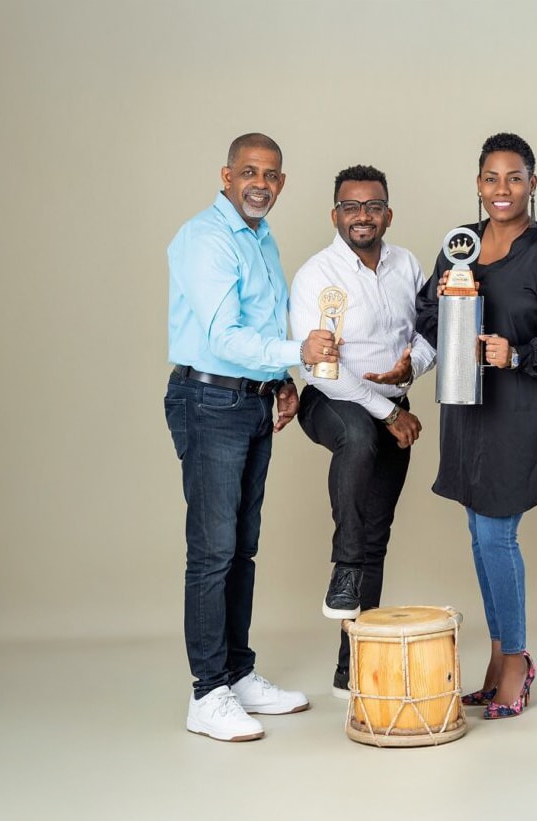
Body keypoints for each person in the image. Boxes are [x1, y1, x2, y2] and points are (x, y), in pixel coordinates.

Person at [164, 133, 338, 742]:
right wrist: (299, 353)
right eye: (248, 172)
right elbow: (222, 336)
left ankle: (236, 675)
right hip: (209, 399)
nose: (259, 183)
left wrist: (283, 378)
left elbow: (257, 328)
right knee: (211, 550)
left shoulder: (262, 238)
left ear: (282, 183)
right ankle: (206, 692)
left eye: (270, 174)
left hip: (249, 399)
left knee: (241, 547)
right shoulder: (205, 239)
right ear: (226, 174)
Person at [416, 133, 537, 719]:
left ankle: (516, 659)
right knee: (478, 535)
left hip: (518, 413)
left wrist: (511, 355)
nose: (501, 189)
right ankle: (495, 658)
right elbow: (426, 314)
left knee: (496, 536)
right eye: (491, 178)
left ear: (533, 184)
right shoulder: (458, 246)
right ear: (478, 183)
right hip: (466, 412)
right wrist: (447, 307)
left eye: (514, 178)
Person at [289, 164, 435, 698]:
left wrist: (409, 371)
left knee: (378, 535)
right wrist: (388, 413)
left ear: (388, 214)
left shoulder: (408, 264)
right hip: (332, 400)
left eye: (373, 206)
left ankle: (352, 670)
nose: (362, 216)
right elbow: (318, 368)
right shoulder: (315, 275)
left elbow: (430, 332)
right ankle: (343, 567)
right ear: (335, 215)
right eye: (351, 207)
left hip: (394, 405)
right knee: (357, 434)